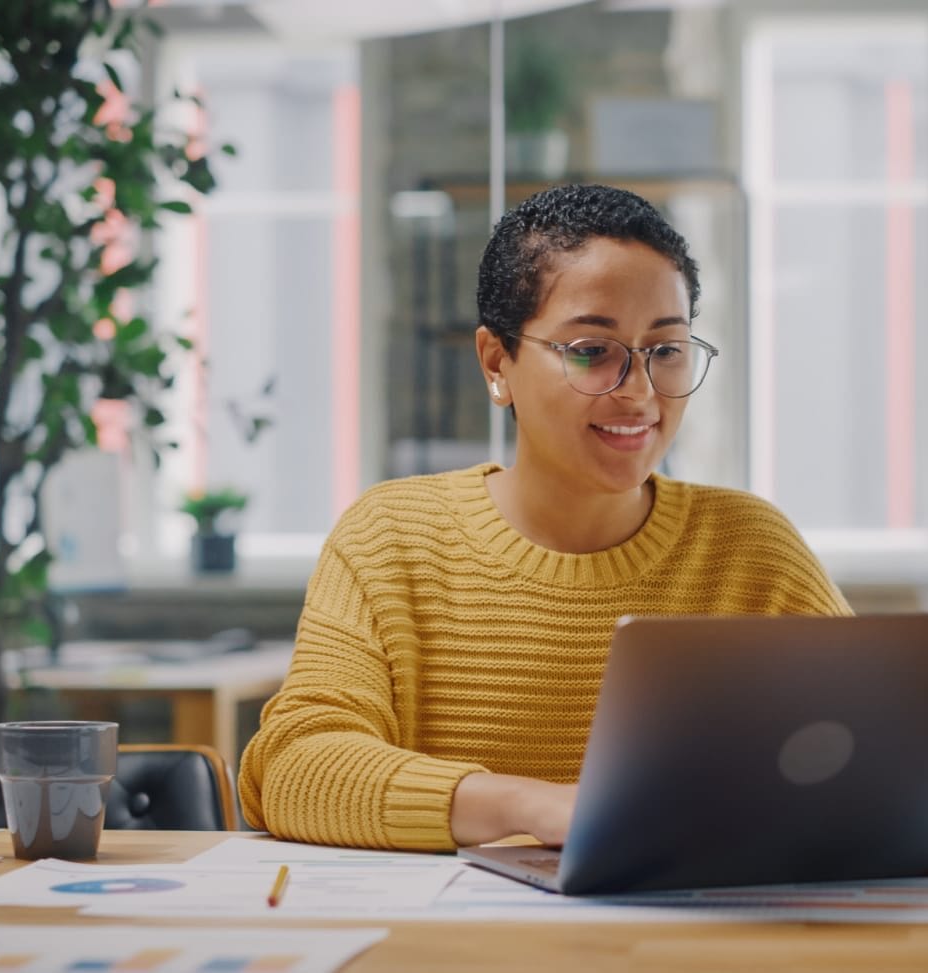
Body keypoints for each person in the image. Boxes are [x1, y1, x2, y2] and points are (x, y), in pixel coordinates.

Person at [238, 184, 849, 851]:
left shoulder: (751, 549)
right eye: (593, 350)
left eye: (666, 351)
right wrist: (531, 805)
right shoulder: (391, 539)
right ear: (498, 362)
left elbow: (878, 753)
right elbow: (296, 767)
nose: (640, 392)